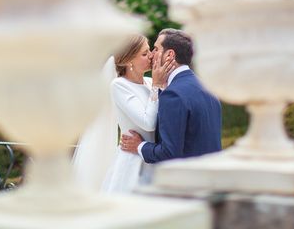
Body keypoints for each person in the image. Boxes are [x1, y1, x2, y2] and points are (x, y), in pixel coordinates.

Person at [72, 34, 174, 193]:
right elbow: (148, 123)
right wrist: (156, 86)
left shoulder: (149, 82)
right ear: (129, 61)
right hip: (135, 163)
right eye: (144, 53)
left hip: (155, 156)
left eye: (150, 51)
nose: (152, 56)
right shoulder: (119, 86)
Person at [120, 28, 222, 164]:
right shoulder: (208, 87)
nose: (152, 55)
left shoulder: (173, 95)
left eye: (156, 49)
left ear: (169, 55)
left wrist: (139, 146)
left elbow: (169, 153)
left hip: (186, 181)